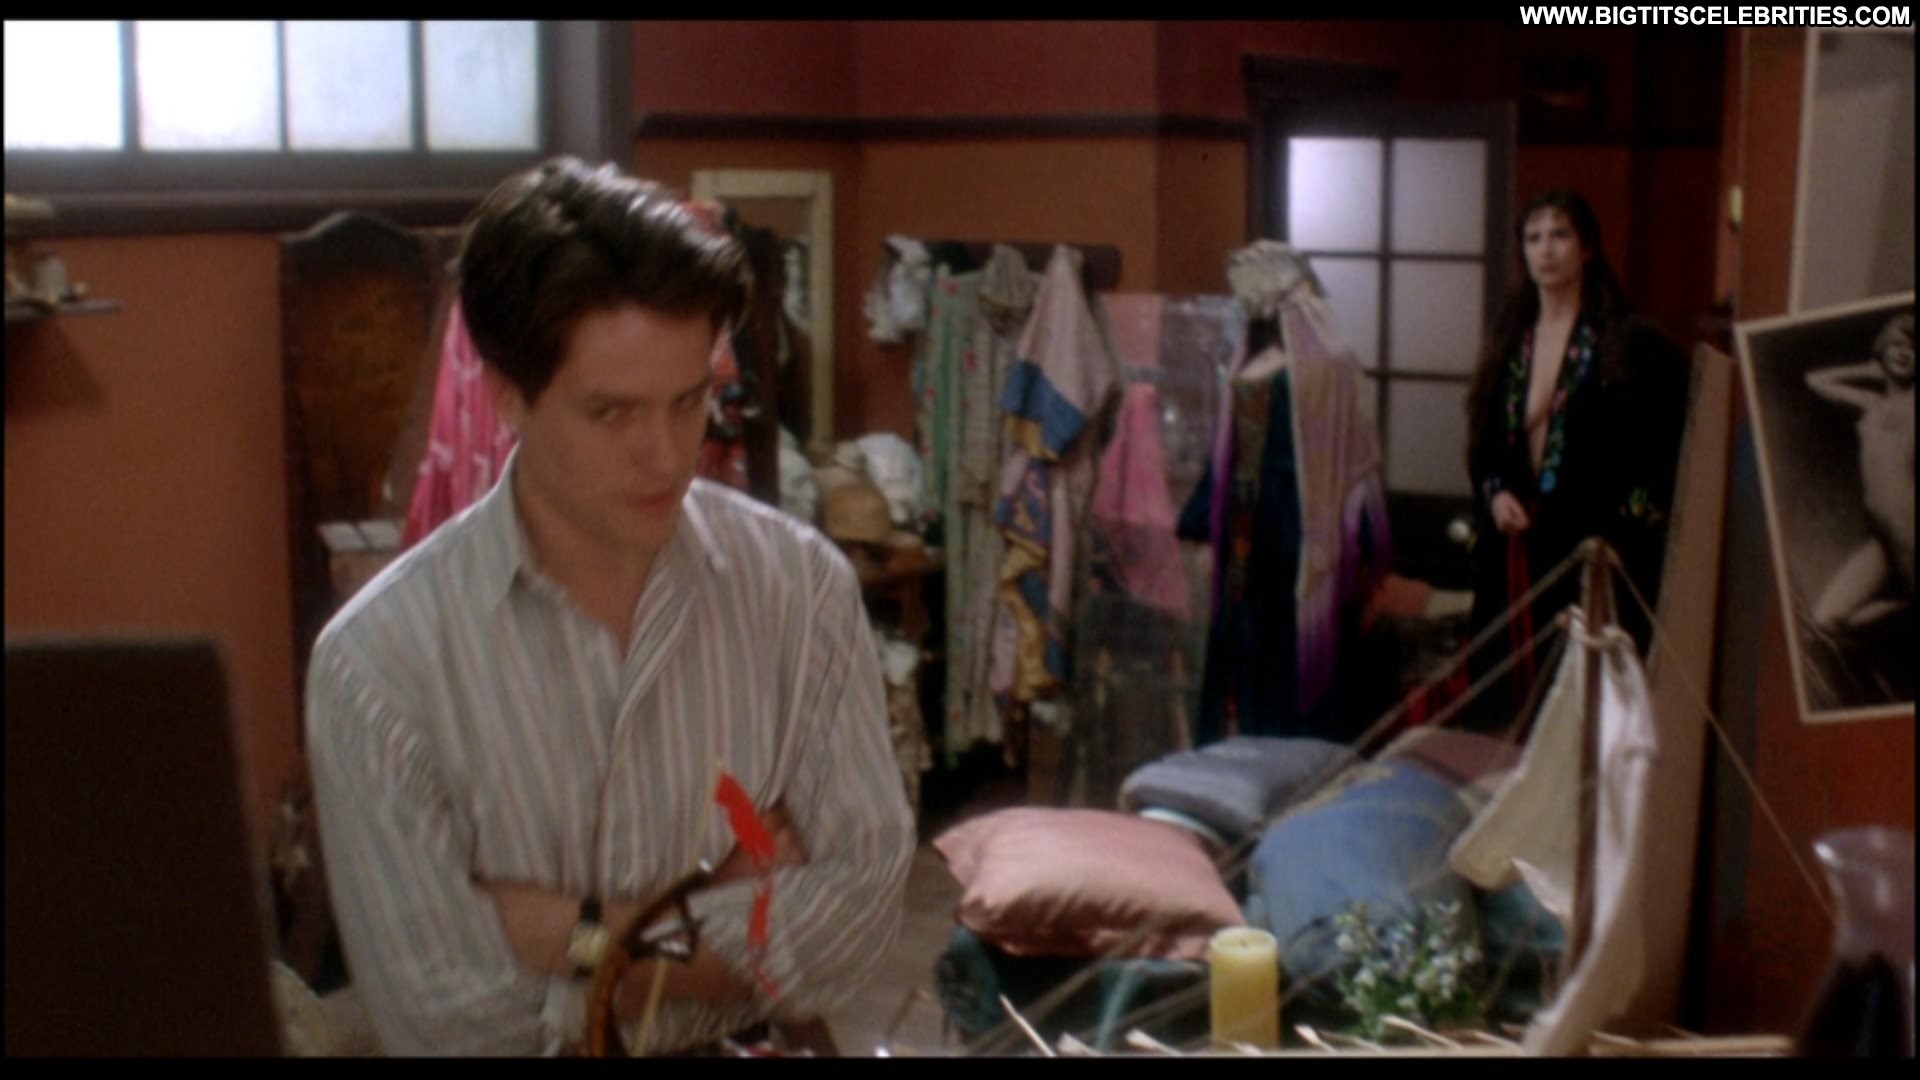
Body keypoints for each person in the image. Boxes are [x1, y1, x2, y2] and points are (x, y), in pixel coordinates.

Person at [305, 156, 914, 1055]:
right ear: (507, 394)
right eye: (612, 414)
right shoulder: (380, 664)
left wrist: (578, 939)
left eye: (688, 400)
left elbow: (858, 918)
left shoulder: (800, 589)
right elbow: (450, 1022)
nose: (666, 455)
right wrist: (723, 922)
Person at [1463, 189, 1689, 725]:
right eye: (1534, 237)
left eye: (1560, 235)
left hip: (1593, 550)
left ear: (1587, 247)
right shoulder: (1510, 340)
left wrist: (1630, 519)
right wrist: (1495, 495)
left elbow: (1672, 441)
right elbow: (1483, 444)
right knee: (1504, 698)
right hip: (1517, 548)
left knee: (1587, 703)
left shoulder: (1628, 341)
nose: (1546, 249)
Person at [1803, 312, 1914, 635]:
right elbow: (1816, 380)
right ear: (1882, 351)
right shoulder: (1871, 404)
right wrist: (1869, 369)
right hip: (1883, 539)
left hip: (1910, 527)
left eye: (1913, 348)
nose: (1905, 352)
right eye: (1897, 345)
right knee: (1826, 620)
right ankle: (1905, 607)